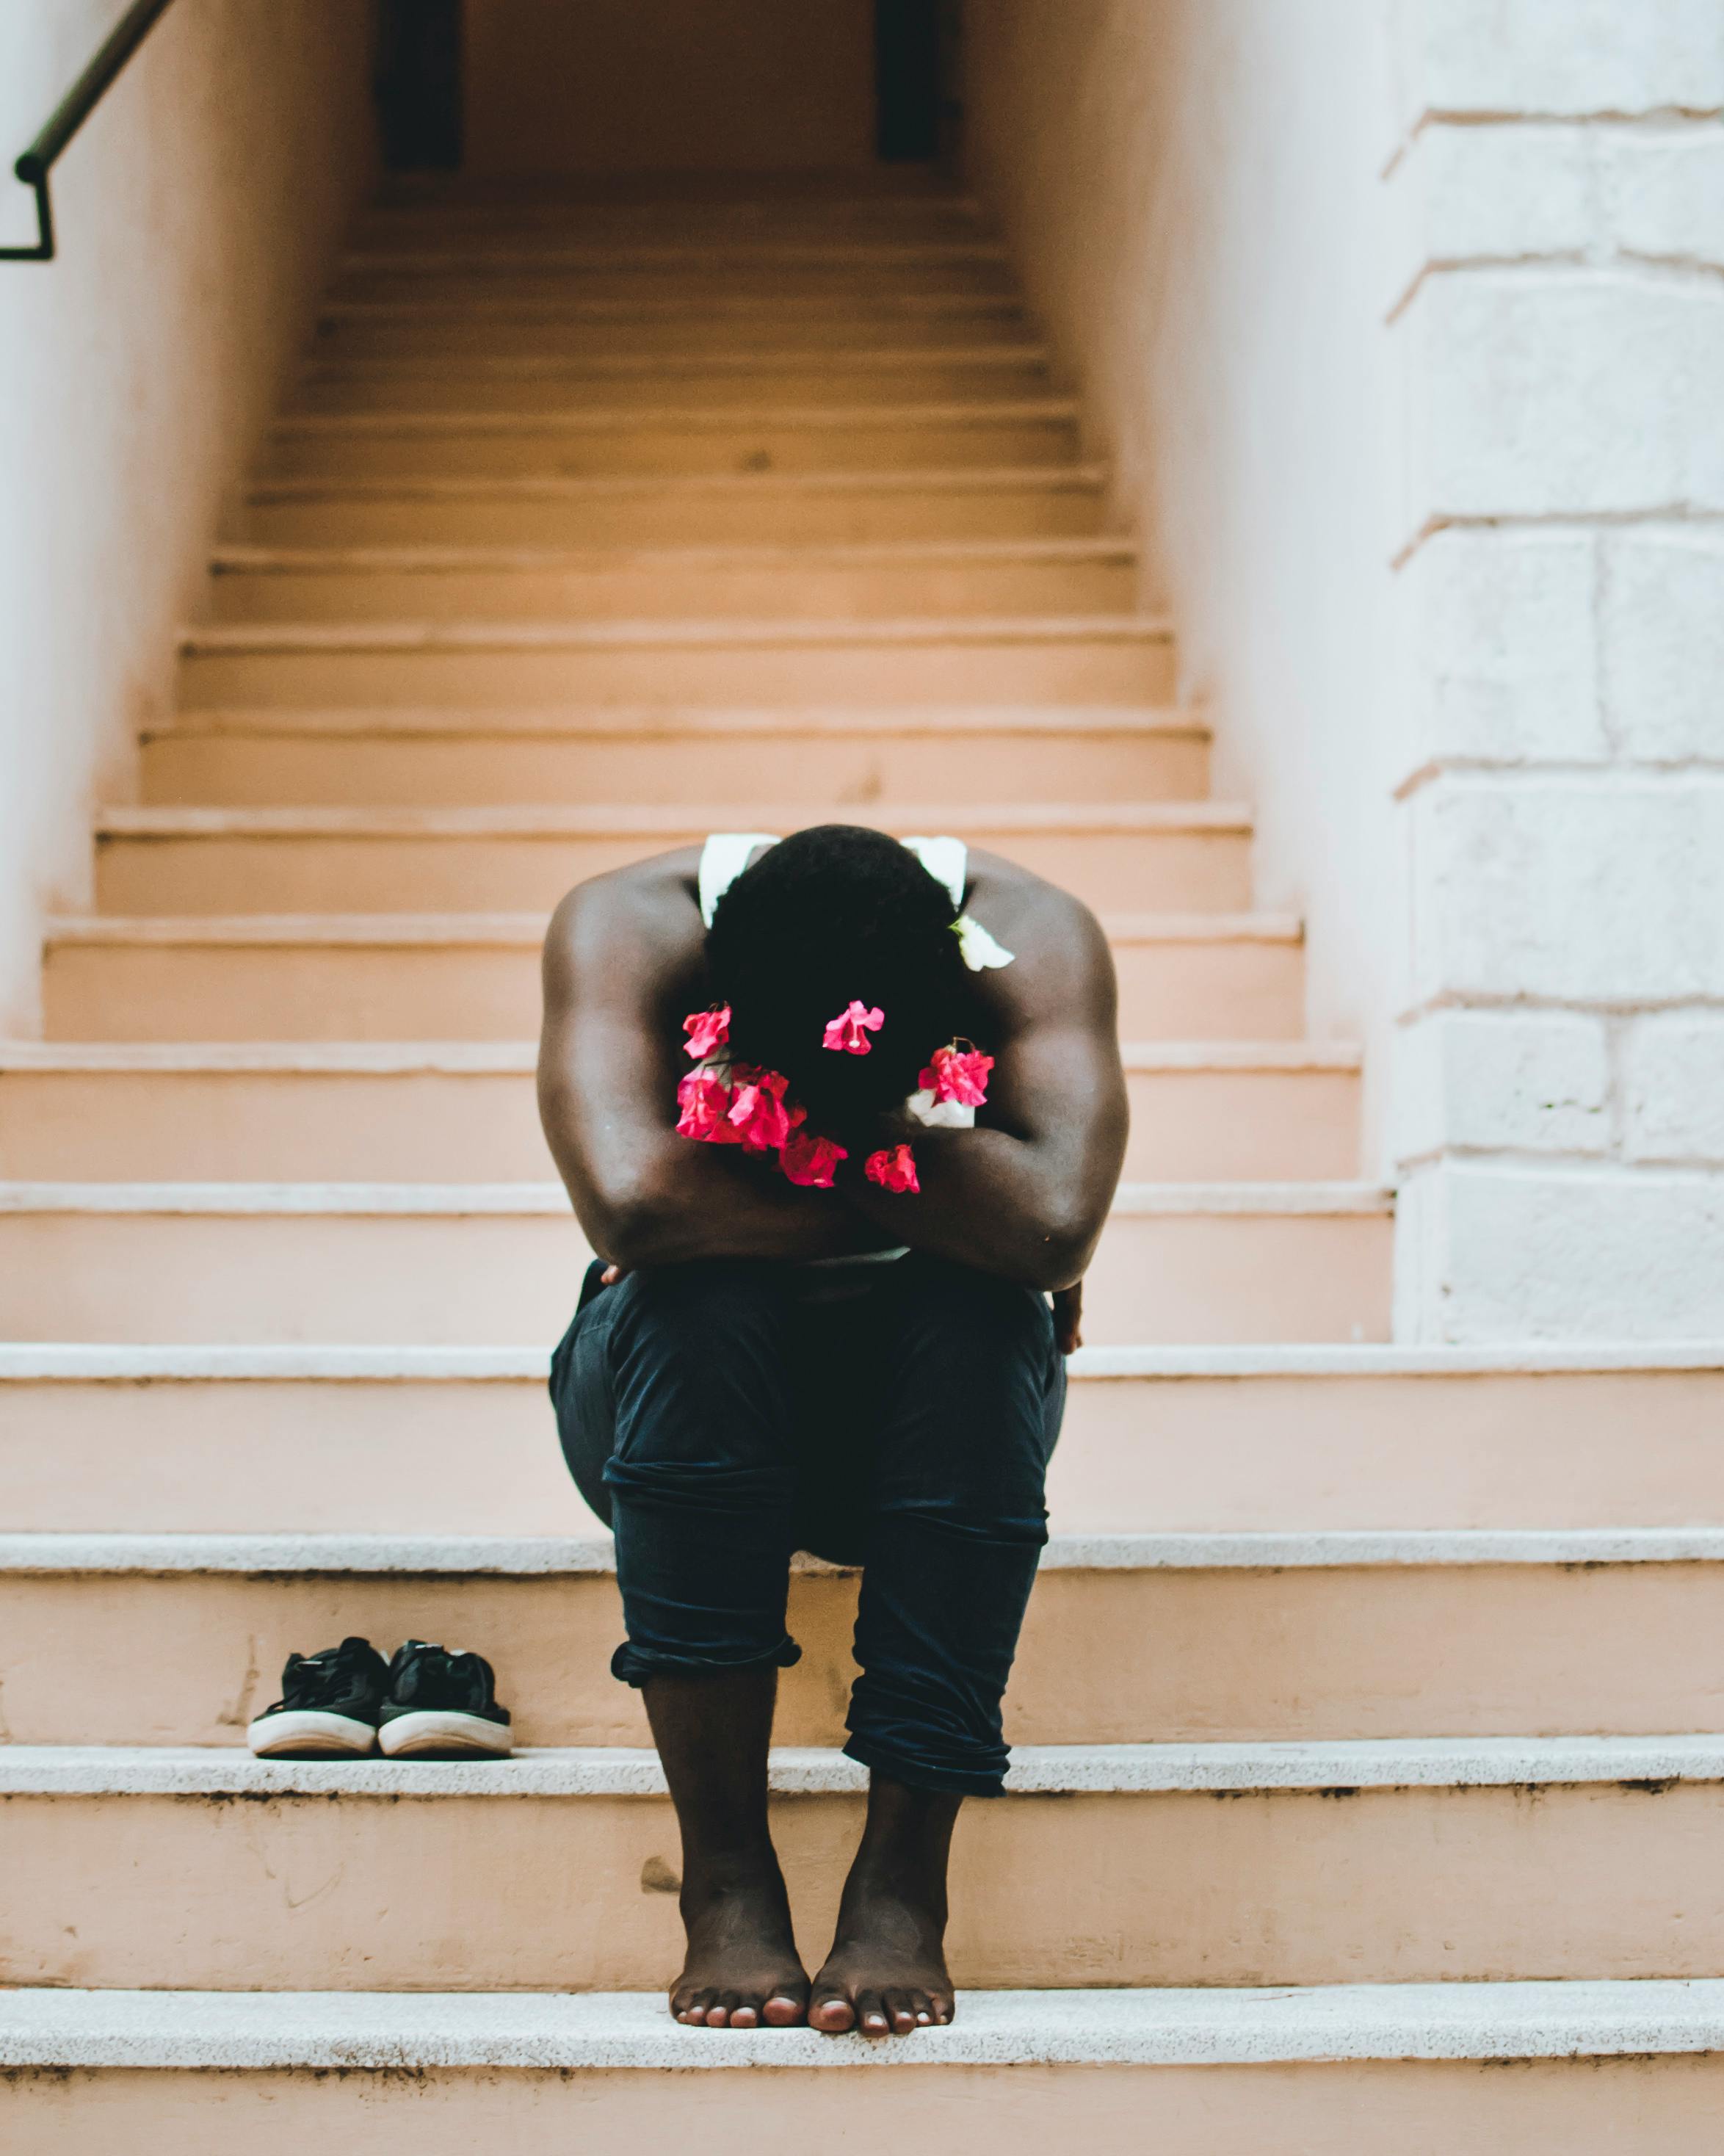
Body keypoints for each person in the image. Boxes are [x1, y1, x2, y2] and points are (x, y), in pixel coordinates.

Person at [539, 823, 1128, 2036]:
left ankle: (903, 1879)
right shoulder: (625, 927)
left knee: (981, 1314)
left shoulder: (1037, 937)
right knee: (699, 1297)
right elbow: (635, 1207)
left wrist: (758, 1157)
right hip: (671, 1393)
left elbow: (1057, 1222)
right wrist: (956, 1199)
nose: (840, 1101)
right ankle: (726, 1878)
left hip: (924, 1412)